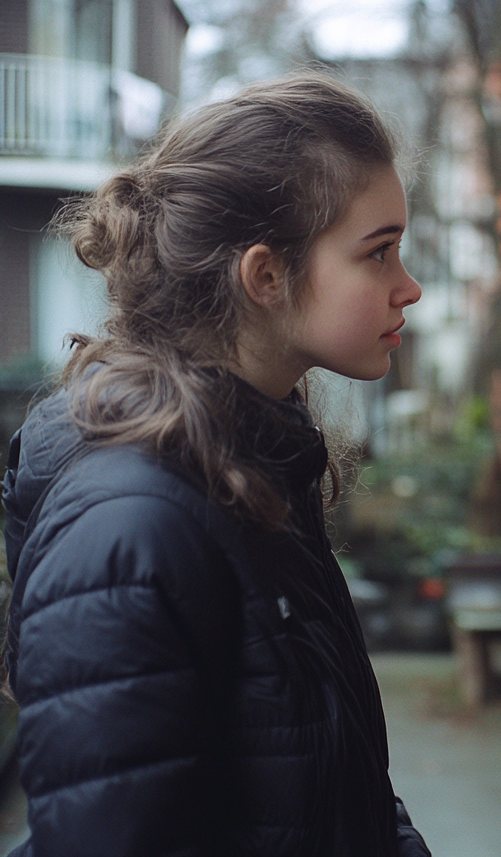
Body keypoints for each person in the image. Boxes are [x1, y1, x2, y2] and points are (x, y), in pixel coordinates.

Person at [2, 73, 431, 856]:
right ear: (265, 275)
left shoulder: (254, 465)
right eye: (379, 253)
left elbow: (332, 791)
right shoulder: (136, 527)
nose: (410, 287)